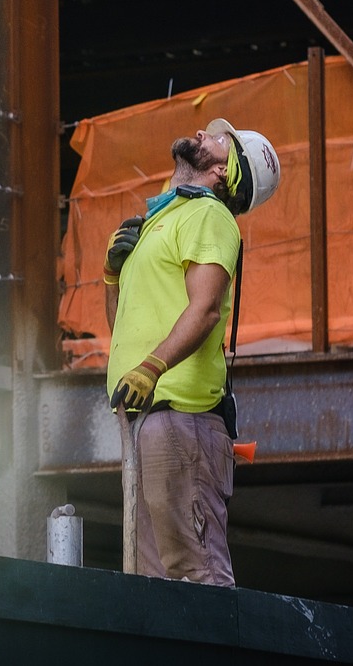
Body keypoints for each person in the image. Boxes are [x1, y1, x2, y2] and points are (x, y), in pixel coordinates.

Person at [104, 116, 281, 585]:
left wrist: (152, 367)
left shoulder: (209, 216)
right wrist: (112, 279)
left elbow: (203, 312)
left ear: (225, 173)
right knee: (153, 583)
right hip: (145, 419)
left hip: (181, 419)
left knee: (197, 575)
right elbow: (128, 329)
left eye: (219, 139)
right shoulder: (162, 221)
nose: (203, 134)